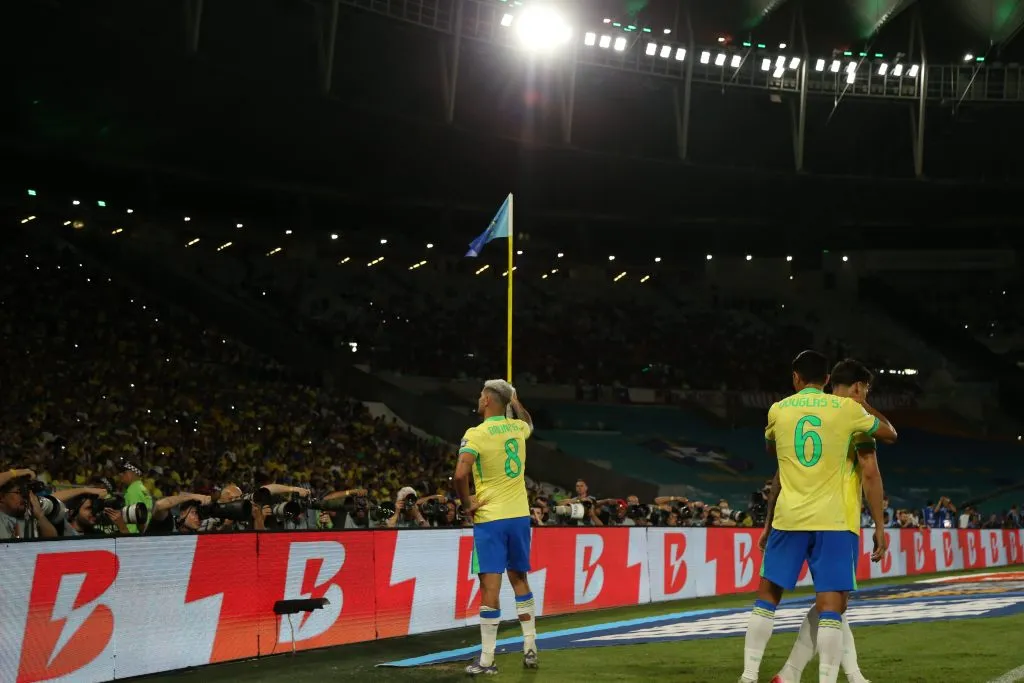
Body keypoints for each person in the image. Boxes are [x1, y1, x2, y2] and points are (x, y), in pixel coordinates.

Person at [739, 351, 897, 683]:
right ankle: (823, 677)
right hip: (834, 520)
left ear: (795, 377)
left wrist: (767, 523)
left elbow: (778, 464)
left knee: (767, 597)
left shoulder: (778, 410)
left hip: (789, 518)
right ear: (844, 384)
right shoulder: (849, 413)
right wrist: (880, 526)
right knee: (832, 605)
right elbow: (877, 460)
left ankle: (752, 676)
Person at [455, 380, 537, 675]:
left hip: (491, 518)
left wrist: (467, 504)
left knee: (490, 586)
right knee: (520, 579)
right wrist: (515, 398)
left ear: (488, 400)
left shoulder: (475, 433)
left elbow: (460, 473)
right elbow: (528, 422)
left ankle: (487, 659)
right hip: (519, 516)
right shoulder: (517, 429)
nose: (478, 399)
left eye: (481, 395)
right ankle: (530, 646)